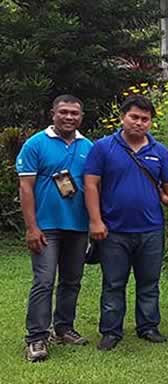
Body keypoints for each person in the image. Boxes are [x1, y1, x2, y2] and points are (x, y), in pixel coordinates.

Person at [84, 95, 168, 351]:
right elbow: (91, 185)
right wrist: (95, 221)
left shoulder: (159, 152)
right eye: (134, 117)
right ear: (122, 117)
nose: (139, 123)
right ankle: (111, 331)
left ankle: (148, 326)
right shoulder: (103, 147)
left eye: (145, 119)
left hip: (150, 229)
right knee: (114, 283)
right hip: (113, 230)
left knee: (149, 282)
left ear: (151, 122)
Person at [16, 95, 93, 362]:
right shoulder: (35, 144)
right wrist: (31, 227)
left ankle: (64, 328)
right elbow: (25, 188)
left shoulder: (88, 147)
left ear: (81, 116)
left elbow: (94, 187)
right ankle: (36, 337)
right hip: (46, 226)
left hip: (78, 225)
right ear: (53, 114)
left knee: (72, 281)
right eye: (64, 112)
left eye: (74, 113)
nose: (69, 117)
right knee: (44, 280)